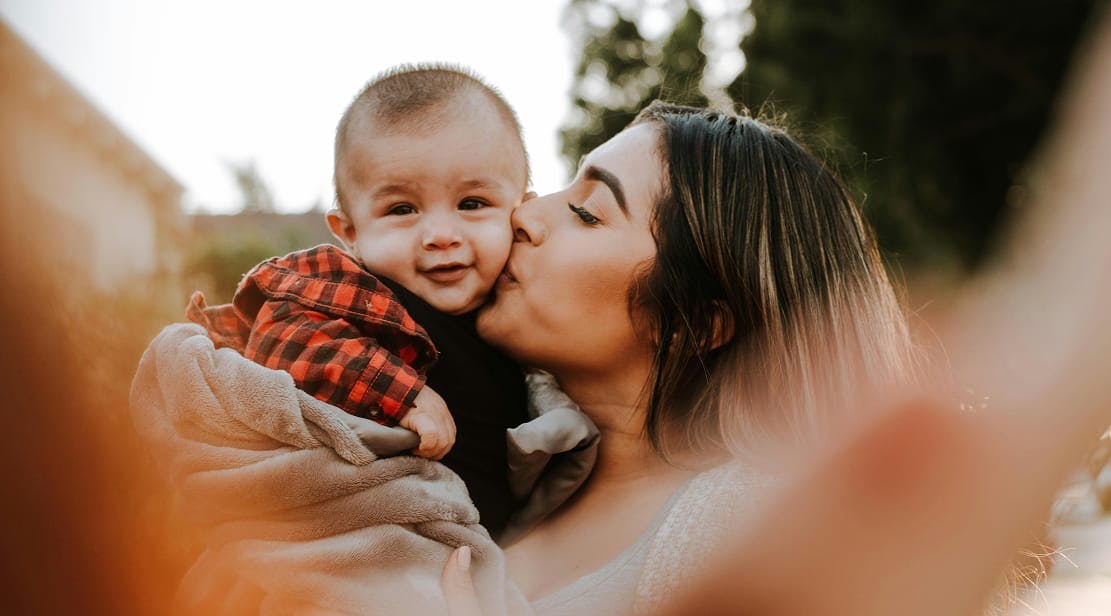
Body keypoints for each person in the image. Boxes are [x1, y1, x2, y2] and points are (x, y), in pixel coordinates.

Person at [437, 99, 921, 613]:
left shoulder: (754, 536)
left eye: (587, 212)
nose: (525, 214)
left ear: (698, 323)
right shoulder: (489, 459)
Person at [186, 63, 532, 539]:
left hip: (486, 550)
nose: (440, 235)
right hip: (366, 538)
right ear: (351, 234)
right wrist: (399, 393)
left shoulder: (525, 306)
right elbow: (284, 336)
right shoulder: (356, 290)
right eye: (401, 210)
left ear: (523, 211)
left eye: (472, 203)